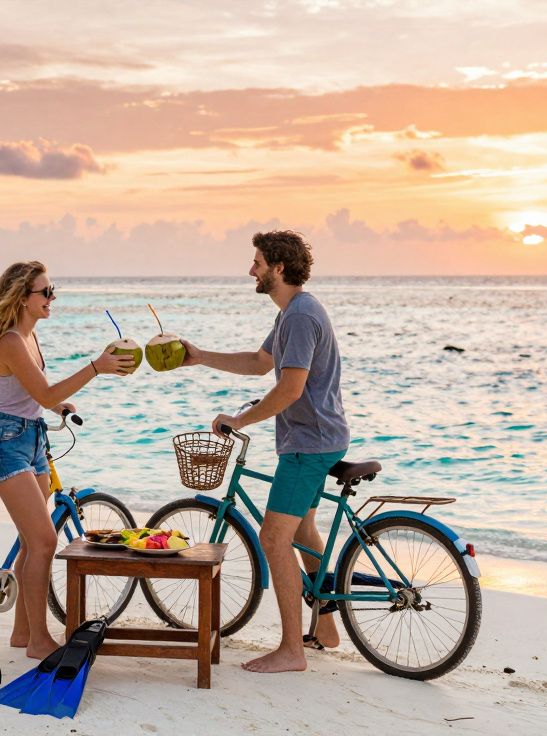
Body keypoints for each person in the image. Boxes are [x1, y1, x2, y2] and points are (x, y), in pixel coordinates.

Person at [181, 230, 350, 674]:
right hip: (319, 438)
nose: (250, 270)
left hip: (308, 445)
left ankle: (292, 650)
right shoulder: (295, 312)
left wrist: (240, 421)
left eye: (256, 262)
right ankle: (326, 627)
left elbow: (290, 389)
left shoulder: (299, 316)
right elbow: (260, 364)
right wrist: (200, 357)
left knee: (273, 537)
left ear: (278, 267)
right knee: (303, 533)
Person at [0, 261, 133, 659]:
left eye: (52, 290)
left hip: (32, 438)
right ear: (21, 298)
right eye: (44, 292)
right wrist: (96, 368)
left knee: (33, 541)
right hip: (6, 444)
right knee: (45, 541)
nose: (51, 298)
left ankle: (22, 633)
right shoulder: (11, 340)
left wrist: (57, 404)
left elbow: (35, 394)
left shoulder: (30, 336)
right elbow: (42, 394)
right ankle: (40, 641)